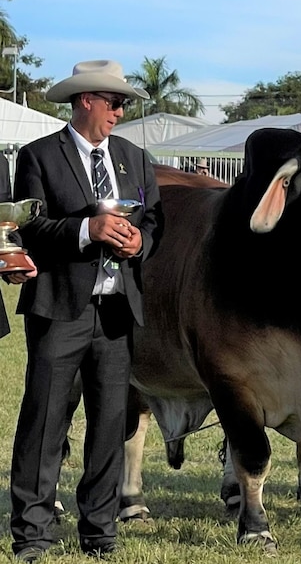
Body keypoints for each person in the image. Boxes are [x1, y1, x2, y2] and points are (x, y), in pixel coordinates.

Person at [8, 59, 163, 562]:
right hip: (59, 309)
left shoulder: (135, 159)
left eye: (124, 103)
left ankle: (100, 532)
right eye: (114, 101)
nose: (121, 110)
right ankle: (32, 533)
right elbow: (29, 229)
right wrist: (86, 231)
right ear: (85, 101)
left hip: (117, 313)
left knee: (110, 426)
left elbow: (155, 224)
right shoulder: (38, 157)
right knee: (45, 422)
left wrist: (139, 241)